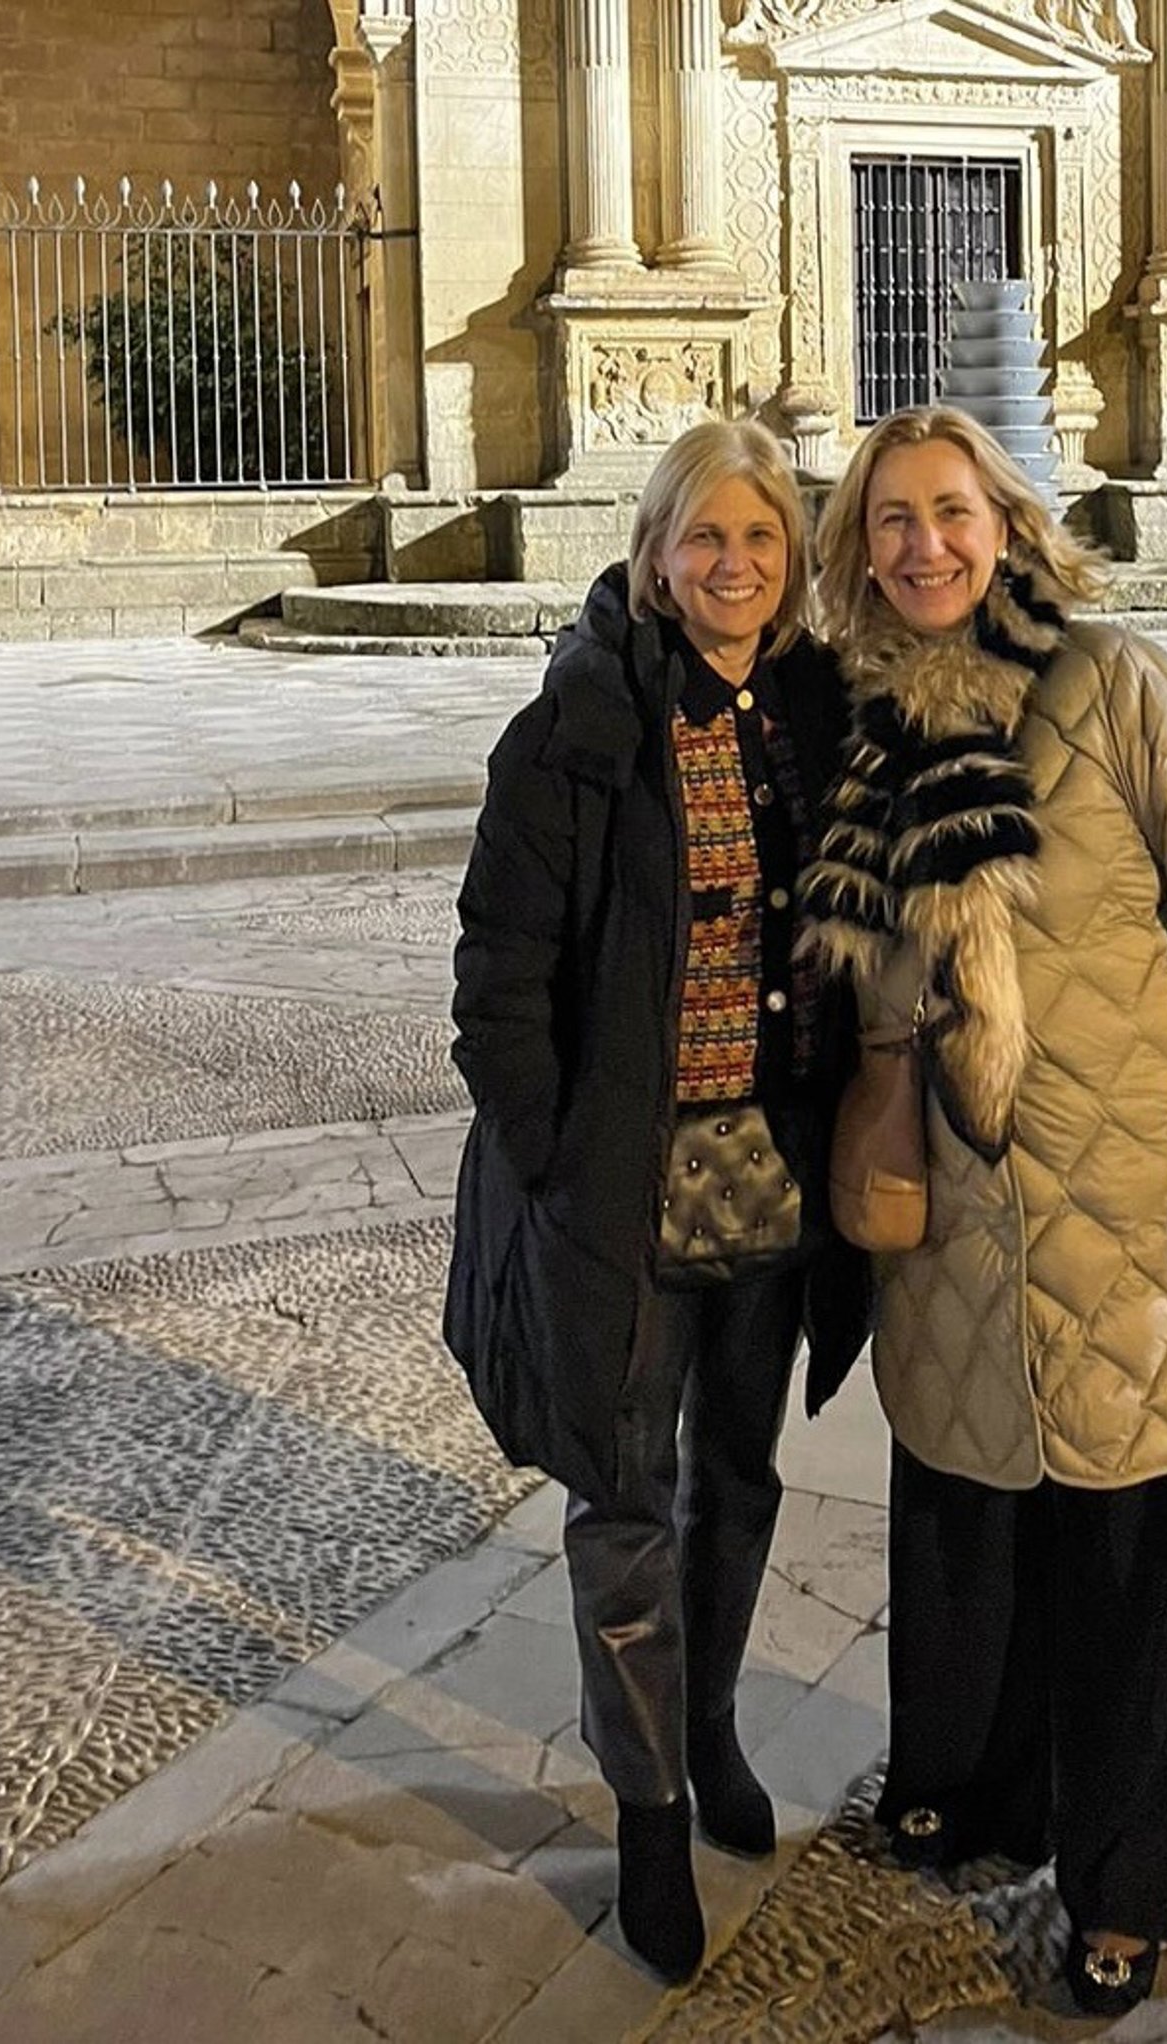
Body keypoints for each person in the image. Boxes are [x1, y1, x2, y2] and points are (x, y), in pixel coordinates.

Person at [798, 406, 1167, 2019]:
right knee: (979, 1523)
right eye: (892, 520)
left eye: (952, 513)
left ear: (1010, 526)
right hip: (959, 1215)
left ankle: (1139, 1891)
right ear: (857, 546)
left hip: (1135, 1200)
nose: (925, 546)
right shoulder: (859, 724)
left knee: (1151, 1554)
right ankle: (980, 1793)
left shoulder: (1109, 682)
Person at [444, 418, 869, 1986]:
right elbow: (498, 981)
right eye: (707, 538)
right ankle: (647, 1806)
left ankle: (712, 1724)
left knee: (737, 1476)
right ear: (656, 554)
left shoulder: (823, 714)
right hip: (627, 1190)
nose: (734, 565)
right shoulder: (577, 725)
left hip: (776, 1184)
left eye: (762, 539)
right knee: (624, 1498)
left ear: (794, 561)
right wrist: (560, 1160)